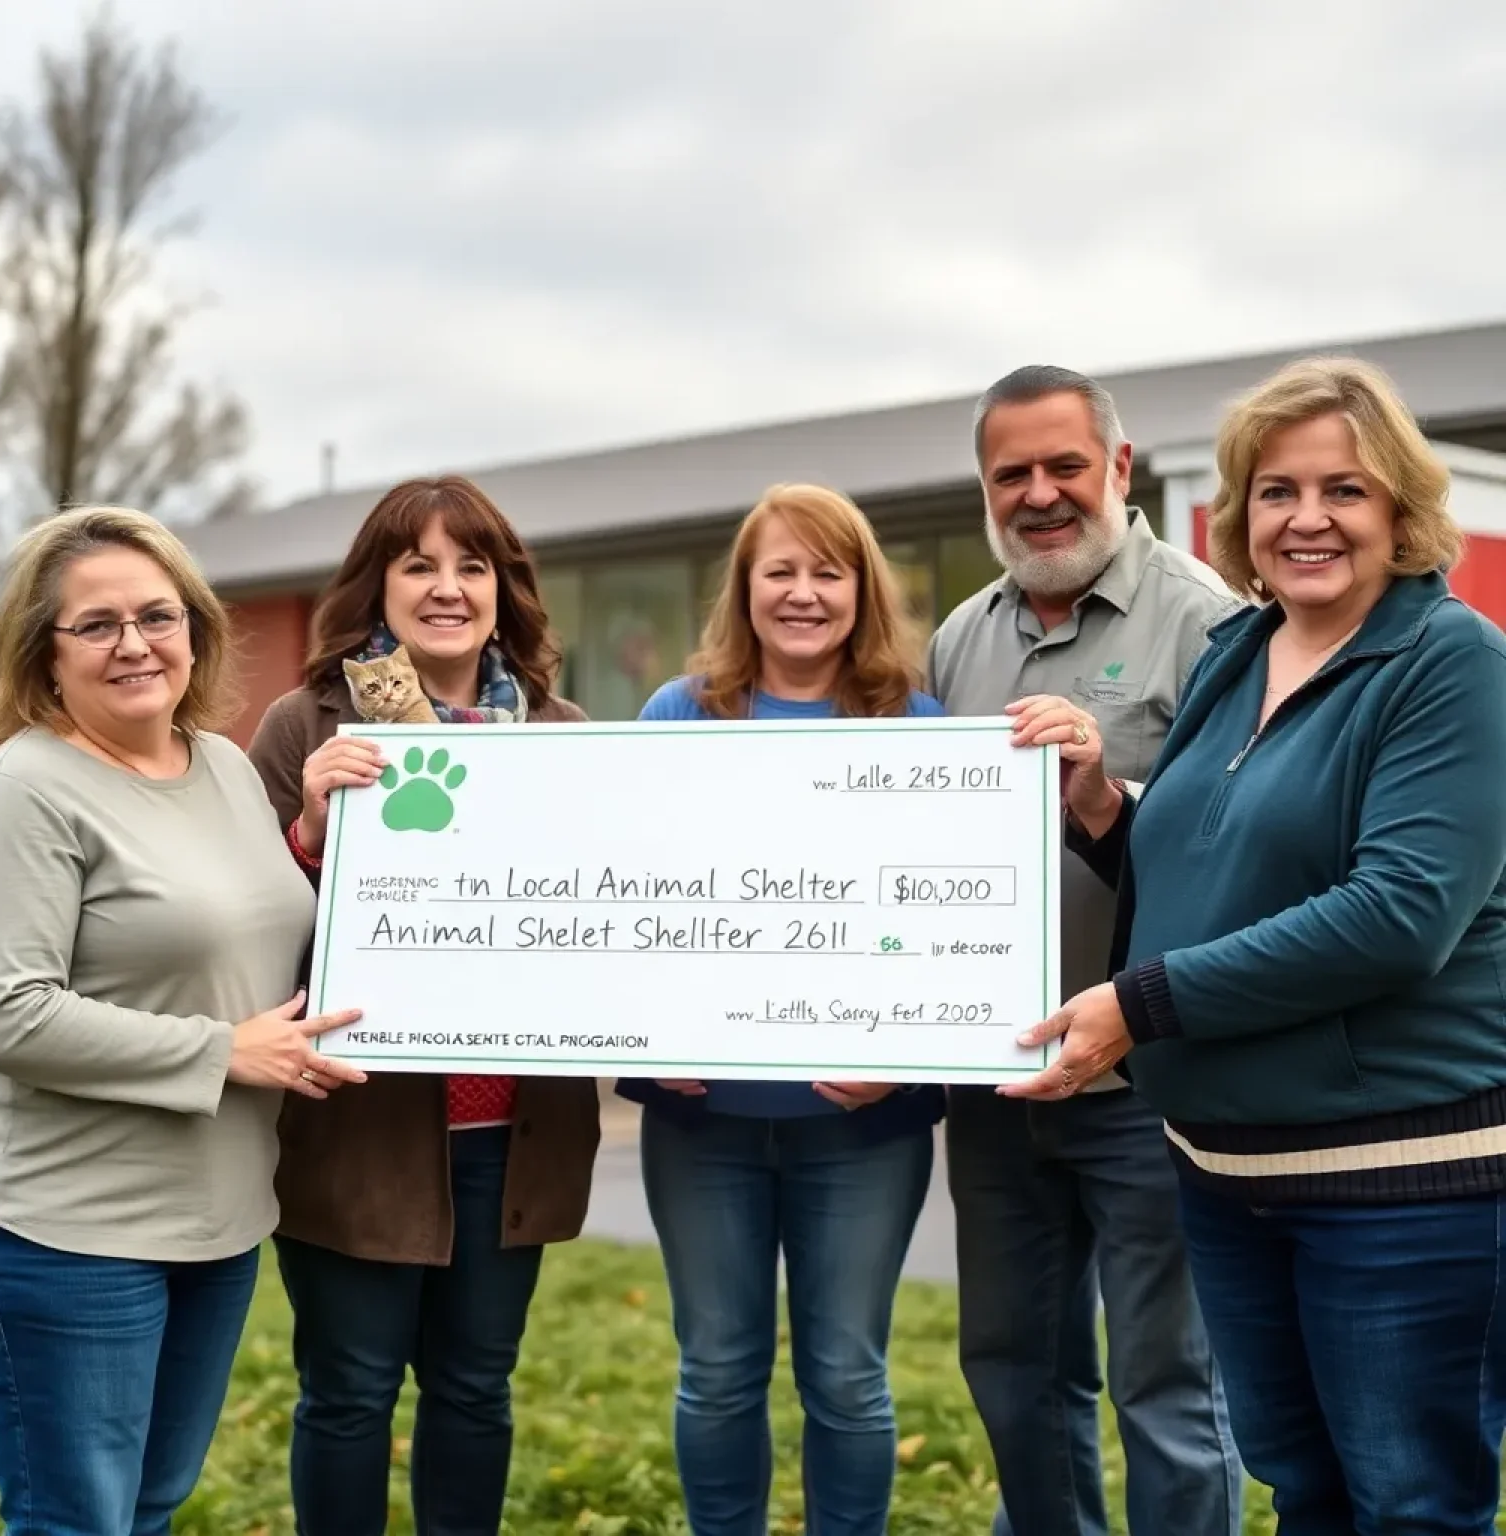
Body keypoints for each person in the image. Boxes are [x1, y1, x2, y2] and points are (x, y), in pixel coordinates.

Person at [1013, 356, 1506, 1532]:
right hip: (1231, 1178)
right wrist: (1099, 804)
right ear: (1242, 514)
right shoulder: (1241, 652)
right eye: (1277, 491)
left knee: (1409, 1503)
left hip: (1402, 1186)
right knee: (1304, 1489)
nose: (1308, 519)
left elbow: (1398, 917)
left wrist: (1139, 1004)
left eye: (1345, 490)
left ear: (1401, 508)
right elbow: (1209, 862)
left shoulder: (1455, 665)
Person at [0, 506, 363, 1536]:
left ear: (197, 628)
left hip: (219, 1219)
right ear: (43, 654)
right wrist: (225, 1052)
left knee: (148, 1506)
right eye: (96, 625)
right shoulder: (24, 790)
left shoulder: (225, 766)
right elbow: (3, 1016)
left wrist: (324, 843)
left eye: (159, 614)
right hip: (67, 1229)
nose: (136, 643)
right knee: (77, 1520)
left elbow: (252, 938)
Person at [247, 475, 602, 1536]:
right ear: (378, 588)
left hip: (511, 1131)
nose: (447, 588)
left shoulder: (568, 733)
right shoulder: (300, 725)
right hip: (361, 1128)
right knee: (349, 1394)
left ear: (504, 591)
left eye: (472, 566)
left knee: (473, 1391)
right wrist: (310, 830)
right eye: (419, 565)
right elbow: (247, 926)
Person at [926, 365, 1243, 1536]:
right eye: (1013, 473)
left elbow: (1239, 852)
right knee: (1012, 1371)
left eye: (1066, 465)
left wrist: (1108, 795)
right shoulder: (960, 639)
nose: (1041, 494)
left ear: (1118, 466)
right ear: (985, 490)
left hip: (1144, 1078)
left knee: (1165, 1385)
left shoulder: (1209, 620)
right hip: (998, 1077)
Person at [616, 483, 945, 1536]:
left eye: (828, 572)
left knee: (849, 1375)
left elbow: (952, 920)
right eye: (781, 572)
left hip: (862, 1120)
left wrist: (911, 1054)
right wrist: (643, 1031)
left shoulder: (919, 726)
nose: (804, 594)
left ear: (862, 590)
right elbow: (623, 894)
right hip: (701, 1114)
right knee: (715, 1368)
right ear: (745, 590)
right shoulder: (679, 714)